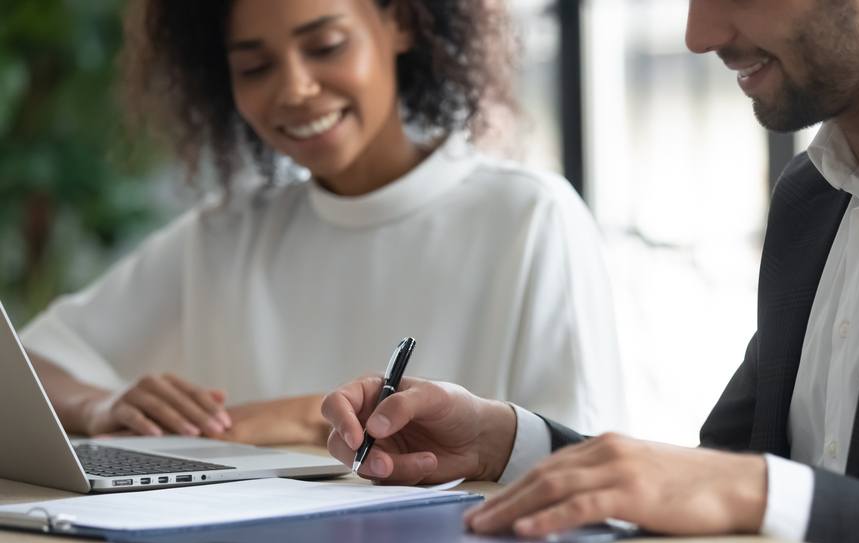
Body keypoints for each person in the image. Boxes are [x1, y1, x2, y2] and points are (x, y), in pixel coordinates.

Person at [322, 0, 859, 543]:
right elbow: (716, 480)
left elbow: (757, 491)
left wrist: (762, 492)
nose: (698, 34)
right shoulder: (813, 195)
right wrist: (507, 443)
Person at [20, 0, 625, 451]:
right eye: (255, 67)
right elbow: (21, 372)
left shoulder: (525, 216)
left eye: (327, 45)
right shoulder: (225, 235)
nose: (295, 88)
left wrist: (303, 419)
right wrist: (101, 407)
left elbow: (577, 454)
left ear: (401, 22)